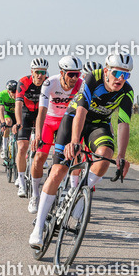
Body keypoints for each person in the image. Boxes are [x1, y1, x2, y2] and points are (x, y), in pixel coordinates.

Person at [29, 53, 134, 248]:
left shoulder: (127, 91)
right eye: (117, 73)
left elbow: (123, 124)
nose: (120, 78)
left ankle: (78, 195)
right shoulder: (93, 78)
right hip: (74, 118)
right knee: (58, 171)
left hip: (99, 125)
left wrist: (121, 156)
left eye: (125, 75)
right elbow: (81, 111)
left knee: (105, 156)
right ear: (106, 71)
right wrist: (74, 141)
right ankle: (38, 227)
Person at [26, 56, 85, 213]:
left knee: (73, 156)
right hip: (49, 121)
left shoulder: (81, 85)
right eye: (71, 74)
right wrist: (38, 135)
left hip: (67, 122)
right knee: (39, 157)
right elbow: (42, 111)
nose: (74, 78)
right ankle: (35, 194)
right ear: (62, 73)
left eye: (77, 74)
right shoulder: (50, 83)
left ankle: (71, 190)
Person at [15, 58, 50, 197]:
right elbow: (18, 104)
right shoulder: (23, 82)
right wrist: (19, 122)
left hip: (41, 113)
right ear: (32, 72)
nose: (40, 75)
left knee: (41, 143)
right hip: (26, 113)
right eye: (37, 72)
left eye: (43, 72)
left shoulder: (48, 83)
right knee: (22, 146)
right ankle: (21, 181)